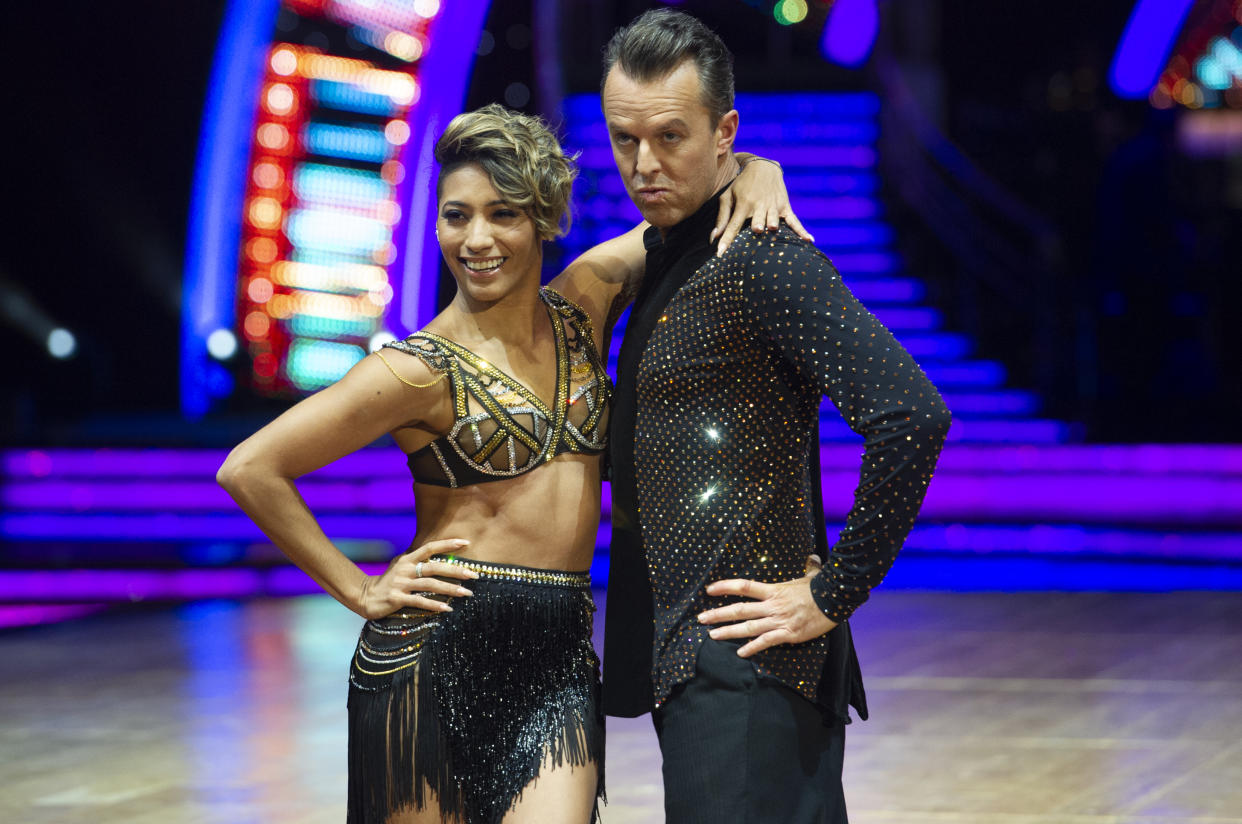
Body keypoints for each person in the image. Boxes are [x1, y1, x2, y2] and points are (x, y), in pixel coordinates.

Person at [216, 102, 803, 824]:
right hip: (430, 660)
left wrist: (751, 168)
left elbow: (683, 219)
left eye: (503, 214)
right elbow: (250, 467)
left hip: (558, 662)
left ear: (544, 220)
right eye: (456, 216)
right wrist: (360, 590)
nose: (477, 239)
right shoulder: (415, 369)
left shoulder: (583, 304)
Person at [598, 10, 953, 823]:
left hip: (747, 668)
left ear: (725, 132)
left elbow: (912, 415)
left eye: (670, 137)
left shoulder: (763, 259)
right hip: (706, 667)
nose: (644, 164)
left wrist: (834, 591)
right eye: (624, 140)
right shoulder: (676, 249)